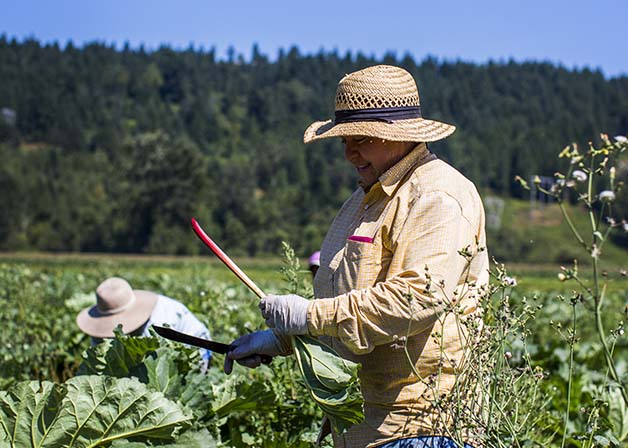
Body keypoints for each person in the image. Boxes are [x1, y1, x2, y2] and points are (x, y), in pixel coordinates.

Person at [224, 65, 489, 448]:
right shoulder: (363, 201)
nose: (349, 153)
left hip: (423, 427)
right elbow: (350, 303)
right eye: (344, 140)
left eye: (361, 139)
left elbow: (417, 299)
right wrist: (283, 338)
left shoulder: (437, 196)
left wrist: (307, 316)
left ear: (397, 136)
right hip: (367, 427)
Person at [76, 277, 212, 365]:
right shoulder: (100, 331)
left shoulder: (157, 322)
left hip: (196, 346)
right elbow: (98, 358)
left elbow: (160, 363)